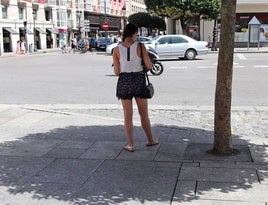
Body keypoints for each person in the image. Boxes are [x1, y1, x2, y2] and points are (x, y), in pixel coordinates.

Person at [112, 23, 158, 152]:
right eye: (136, 33)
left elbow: (116, 71)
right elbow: (149, 66)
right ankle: (150, 140)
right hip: (138, 80)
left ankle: (131, 144)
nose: (137, 35)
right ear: (133, 33)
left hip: (124, 81)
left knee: (127, 115)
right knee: (143, 114)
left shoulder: (116, 49)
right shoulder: (140, 46)